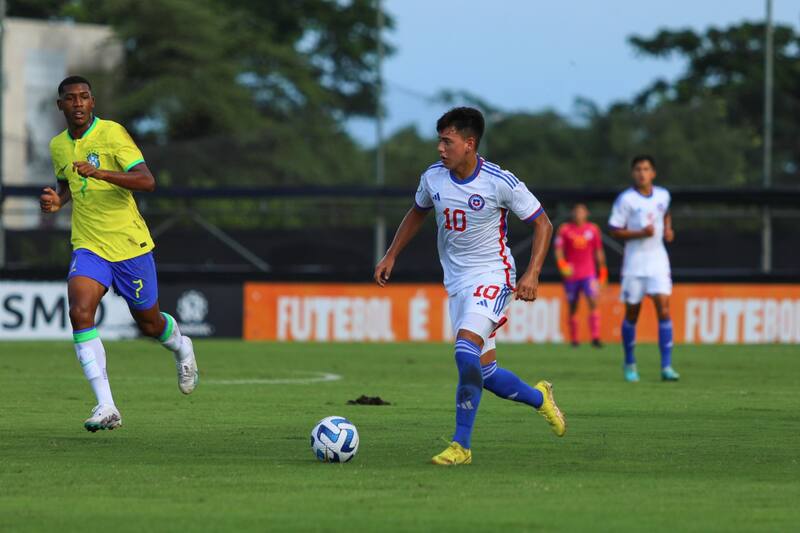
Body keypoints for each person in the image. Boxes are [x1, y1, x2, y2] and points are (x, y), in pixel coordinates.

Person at [374, 107, 566, 466]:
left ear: (469, 143)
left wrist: (533, 273)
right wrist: (391, 255)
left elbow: (543, 224)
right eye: (439, 141)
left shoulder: (499, 181)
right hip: (458, 284)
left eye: (447, 141)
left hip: (494, 276)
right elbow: (417, 211)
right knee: (486, 373)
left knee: (465, 352)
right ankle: (540, 398)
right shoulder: (433, 178)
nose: (440, 148)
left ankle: (461, 446)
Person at [40, 76, 199, 432]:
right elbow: (68, 182)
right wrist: (56, 201)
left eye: (84, 97)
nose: (78, 103)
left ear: (93, 102)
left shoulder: (112, 134)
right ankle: (106, 405)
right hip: (89, 245)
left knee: (149, 324)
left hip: (129, 246)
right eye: (70, 98)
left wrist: (101, 172)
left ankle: (181, 345)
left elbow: (147, 181)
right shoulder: (58, 146)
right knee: (79, 311)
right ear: (60, 105)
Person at [608, 155, 679, 382]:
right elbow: (614, 229)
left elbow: (665, 213)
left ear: (653, 173)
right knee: (632, 313)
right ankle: (630, 363)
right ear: (633, 173)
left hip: (658, 259)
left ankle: (666, 366)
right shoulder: (626, 200)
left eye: (646, 169)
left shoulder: (663, 195)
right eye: (638, 169)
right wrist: (640, 233)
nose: (642, 173)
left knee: (664, 309)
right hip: (635, 263)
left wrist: (668, 229)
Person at [554, 203, 607, 348]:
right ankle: (575, 339)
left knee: (593, 301)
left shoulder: (593, 229)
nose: (578, 214)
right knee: (573, 306)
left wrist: (602, 270)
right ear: (573, 214)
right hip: (572, 274)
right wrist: (562, 264)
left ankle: (595, 338)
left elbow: (598, 251)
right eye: (576, 212)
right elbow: (558, 249)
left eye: (581, 212)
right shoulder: (565, 229)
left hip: (589, 273)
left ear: (586, 214)